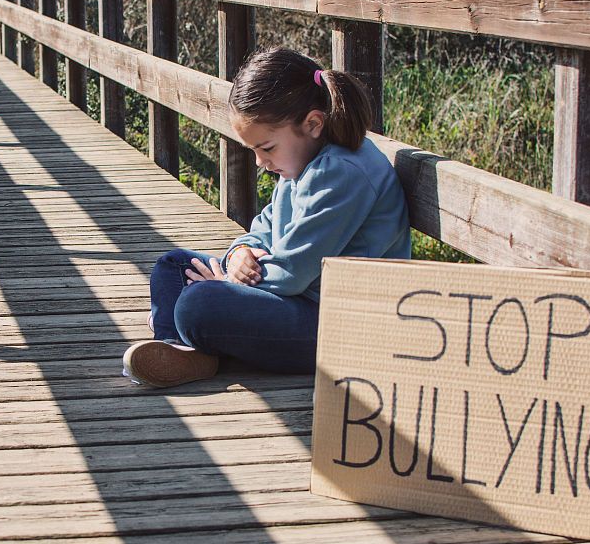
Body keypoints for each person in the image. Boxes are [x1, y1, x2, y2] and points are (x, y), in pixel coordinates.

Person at [123, 47, 411, 388]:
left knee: (198, 303)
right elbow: (263, 227)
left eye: (267, 148)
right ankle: (178, 348)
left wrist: (228, 284)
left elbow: (291, 273)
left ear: (313, 124)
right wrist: (239, 254)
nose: (261, 162)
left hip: (341, 325)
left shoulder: (342, 173)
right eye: (255, 151)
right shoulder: (301, 165)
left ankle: (185, 331)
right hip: (296, 299)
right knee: (172, 266)